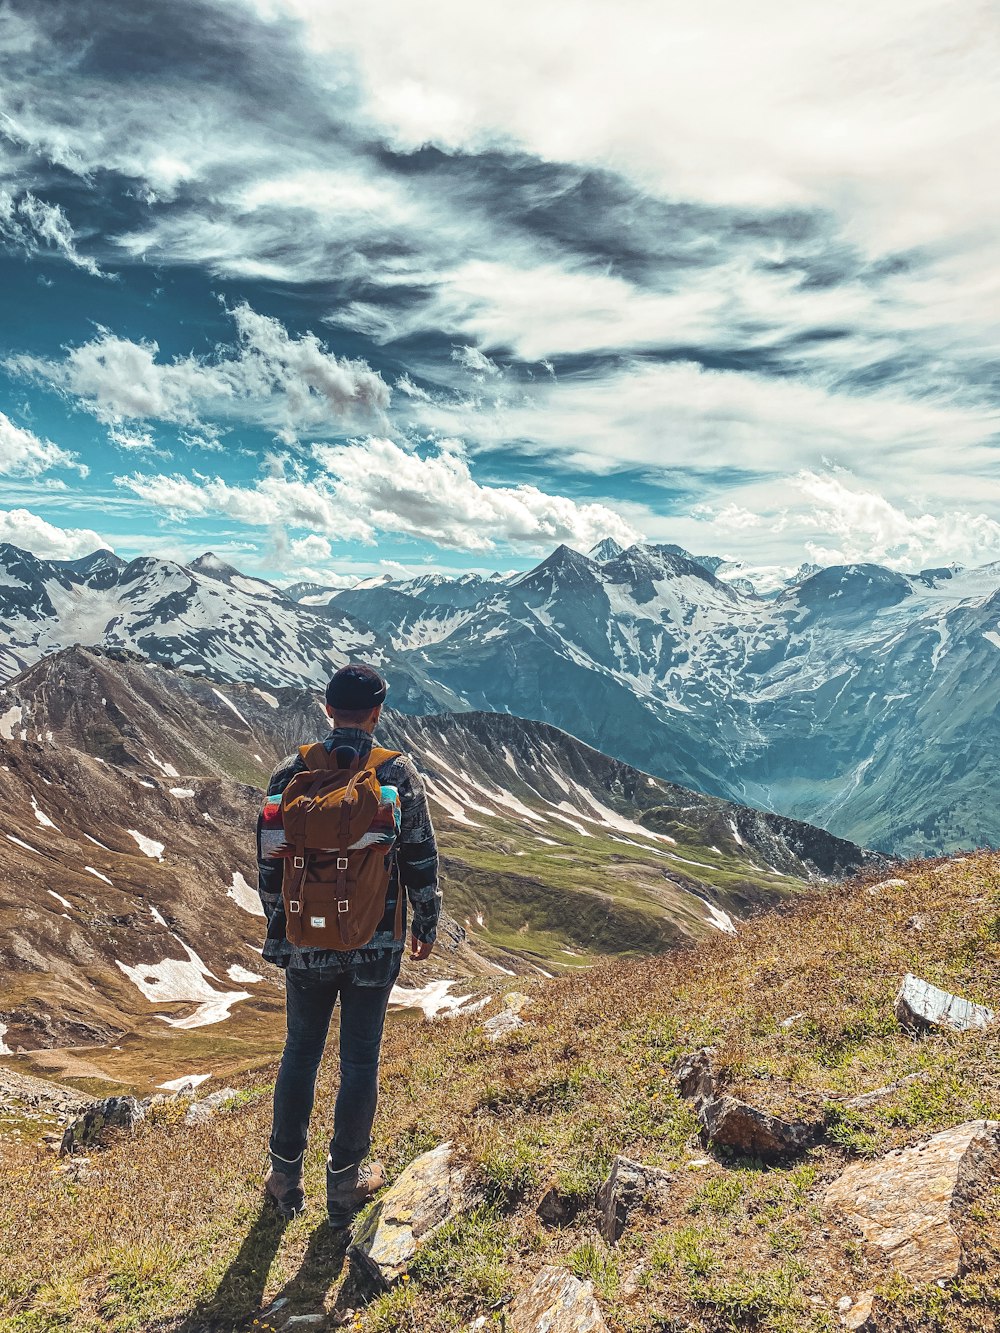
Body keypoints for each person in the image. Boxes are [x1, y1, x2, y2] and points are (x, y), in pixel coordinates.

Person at [257, 663, 441, 1226]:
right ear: (378, 713)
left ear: (327, 708)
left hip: (306, 946)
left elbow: (269, 863)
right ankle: (345, 1186)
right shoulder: (397, 776)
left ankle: (285, 1179)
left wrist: (282, 929)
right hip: (376, 940)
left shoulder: (289, 777)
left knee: (300, 1054)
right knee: (359, 1059)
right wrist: (425, 925)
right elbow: (420, 857)